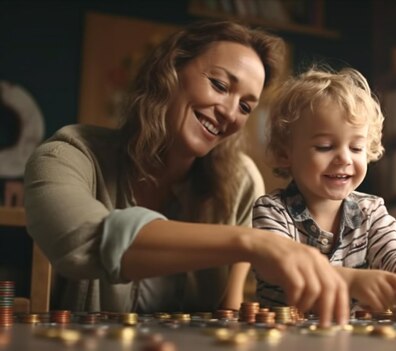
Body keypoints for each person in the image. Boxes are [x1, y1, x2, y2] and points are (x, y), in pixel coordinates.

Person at [23, 21, 350, 326]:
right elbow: (82, 242)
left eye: (246, 107)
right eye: (220, 85)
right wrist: (249, 242)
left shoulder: (241, 182)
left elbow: (237, 308)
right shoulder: (69, 153)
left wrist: (350, 280)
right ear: (170, 70)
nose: (229, 112)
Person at [253, 66, 396, 310]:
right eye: (325, 146)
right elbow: (281, 265)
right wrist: (349, 280)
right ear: (285, 153)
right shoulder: (272, 210)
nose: (344, 159)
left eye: (356, 148)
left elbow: (394, 254)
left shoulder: (370, 211)